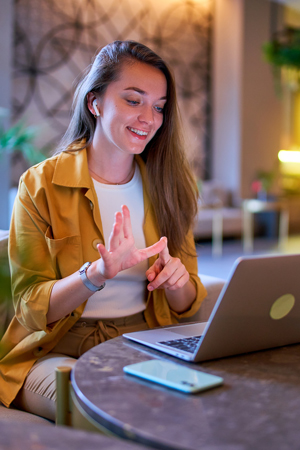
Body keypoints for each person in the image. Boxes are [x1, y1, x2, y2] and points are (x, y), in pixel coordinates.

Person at [0, 40, 207, 421]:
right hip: (56, 348)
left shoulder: (170, 185)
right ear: (95, 103)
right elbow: (28, 306)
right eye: (134, 100)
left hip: (142, 340)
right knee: (110, 410)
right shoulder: (40, 184)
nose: (150, 117)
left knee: (206, 404)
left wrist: (178, 283)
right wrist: (95, 274)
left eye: (159, 107)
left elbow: (186, 305)